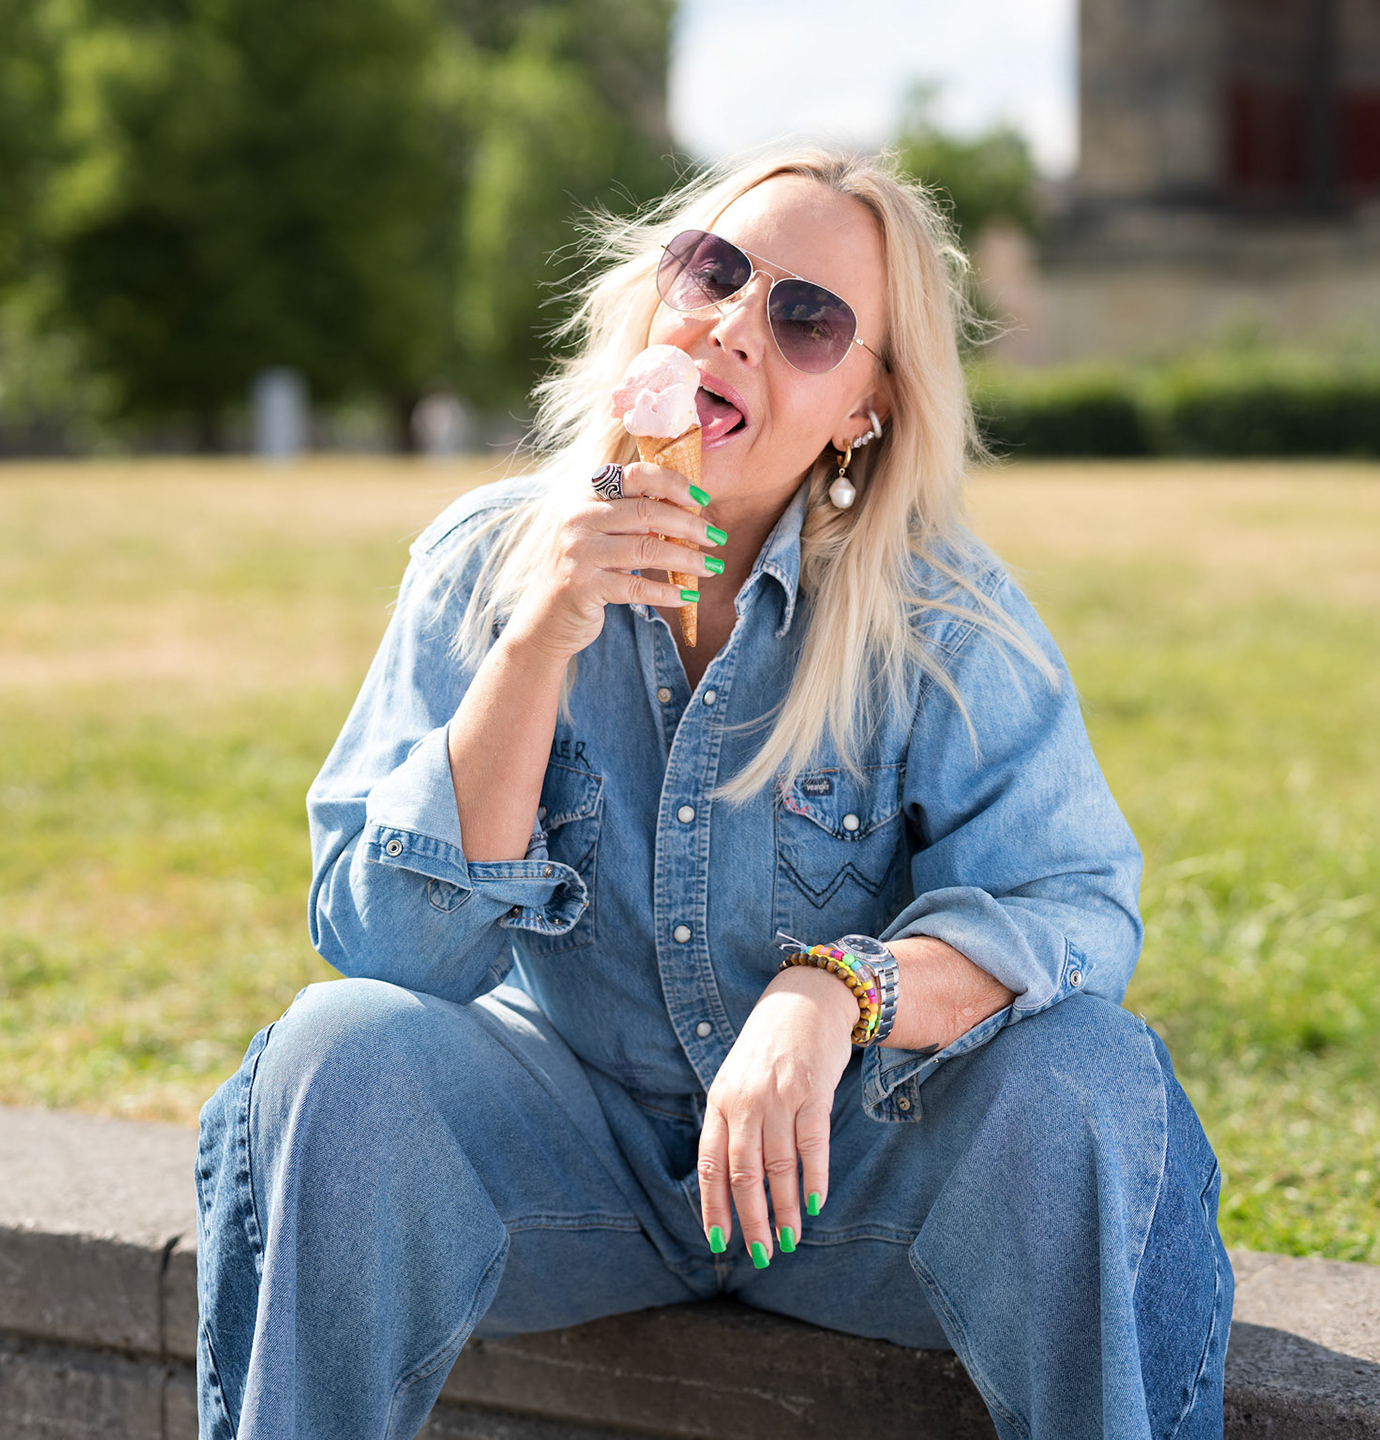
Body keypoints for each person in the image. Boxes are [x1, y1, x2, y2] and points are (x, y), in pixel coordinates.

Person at [195, 147, 1234, 1440]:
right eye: (716, 271)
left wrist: (836, 990)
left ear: (865, 408)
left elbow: (1076, 913)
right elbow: (383, 940)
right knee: (324, 1058)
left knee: (1087, 1074)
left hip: (855, 1179)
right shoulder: (486, 561)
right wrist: (542, 633)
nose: (739, 324)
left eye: (808, 320)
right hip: (573, 1172)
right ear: (657, 298)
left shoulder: (942, 622)